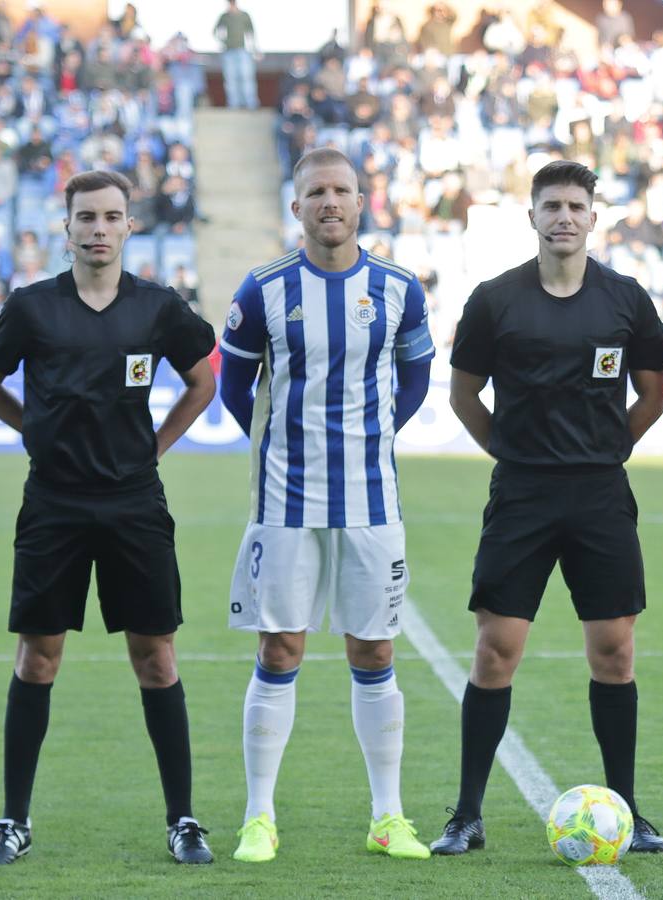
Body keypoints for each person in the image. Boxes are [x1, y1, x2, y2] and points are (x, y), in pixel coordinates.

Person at [0, 170, 218, 865]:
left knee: (156, 658)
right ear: (68, 227)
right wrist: (32, 432)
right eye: (87, 217)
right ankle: (13, 820)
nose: (99, 228)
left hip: (135, 502)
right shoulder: (32, 307)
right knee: (39, 658)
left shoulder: (158, 308)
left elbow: (205, 376)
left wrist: (157, 444)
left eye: (112, 216)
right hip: (53, 502)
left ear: (129, 226)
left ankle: (183, 820)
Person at [430, 160, 663, 856]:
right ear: (530, 217)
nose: (563, 216)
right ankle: (467, 815)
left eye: (575, 204)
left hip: (599, 496)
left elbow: (653, 395)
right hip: (521, 496)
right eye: (551, 205)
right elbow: (463, 396)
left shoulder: (625, 300)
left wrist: (603, 452)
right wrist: (511, 452)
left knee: (614, 651)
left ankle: (625, 808)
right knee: (496, 650)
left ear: (594, 217)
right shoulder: (494, 300)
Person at [218, 147, 435, 864]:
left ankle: (387, 816)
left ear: (361, 202)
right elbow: (234, 389)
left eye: (341, 190)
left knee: (373, 649)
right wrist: (286, 445)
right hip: (284, 503)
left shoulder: (400, 288)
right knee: (280, 648)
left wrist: (367, 442)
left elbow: (414, 380)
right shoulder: (262, 290)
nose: (329, 203)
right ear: (297, 206)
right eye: (316, 192)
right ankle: (258, 818)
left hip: (373, 502)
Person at [215, 0, 259, 109]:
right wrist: (224, 42)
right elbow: (215, 31)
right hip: (229, 52)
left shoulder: (244, 15)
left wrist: (254, 50)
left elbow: (251, 33)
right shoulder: (224, 16)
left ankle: (251, 103)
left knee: (246, 77)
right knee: (230, 79)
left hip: (243, 51)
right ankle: (233, 104)